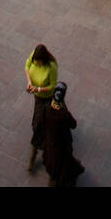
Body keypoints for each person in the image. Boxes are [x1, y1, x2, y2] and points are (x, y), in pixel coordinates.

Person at [42, 82, 84, 187]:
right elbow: (73, 124)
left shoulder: (47, 108)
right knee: (64, 168)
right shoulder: (64, 115)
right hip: (62, 145)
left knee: (54, 164)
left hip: (50, 142)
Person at [24, 44, 58, 174]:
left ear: (43, 59)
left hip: (47, 97)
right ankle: (41, 144)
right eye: (35, 62)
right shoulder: (34, 56)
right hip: (38, 98)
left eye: (38, 63)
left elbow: (52, 86)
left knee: (39, 123)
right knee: (38, 122)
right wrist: (29, 82)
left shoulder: (52, 67)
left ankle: (35, 152)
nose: (36, 64)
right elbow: (27, 66)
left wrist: (38, 89)